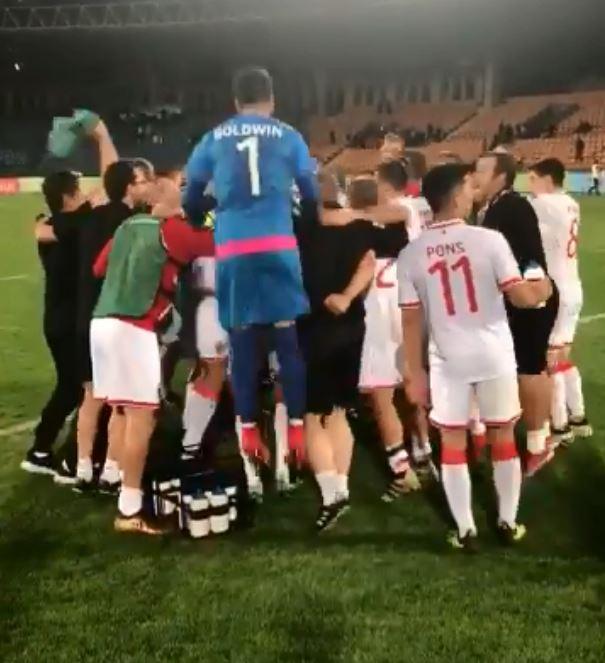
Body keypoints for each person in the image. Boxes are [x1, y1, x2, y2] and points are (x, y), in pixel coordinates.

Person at [399, 164, 552, 550]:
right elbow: (521, 297)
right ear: (454, 196)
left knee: (452, 441)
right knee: (502, 435)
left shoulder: (412, 253)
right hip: (493, 354)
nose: (472, 192)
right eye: (467, 187)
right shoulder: (490, 240)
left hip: (448, 359)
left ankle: (466, 529)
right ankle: (507, 521)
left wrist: (413, 372)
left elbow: (412, 319)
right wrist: (544, 287)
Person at [183, 66, 317, 469]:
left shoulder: (213, 138)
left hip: (235, 250)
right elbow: (310, 192)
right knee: (287, 340)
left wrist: (208, 212)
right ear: (271, 99)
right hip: (278, 245)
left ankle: (246, 427)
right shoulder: (289, 134)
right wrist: (303, 220)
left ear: (236, 102)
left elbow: (191, 197)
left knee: (242, 343)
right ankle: (295, 424)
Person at [91, 178, 215, 535]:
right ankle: (129, 508)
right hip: (133, 327)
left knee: (120, 408)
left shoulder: (127, 225)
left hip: (101, 323)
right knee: (143, 418)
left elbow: (99, 268)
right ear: (167, 199)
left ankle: (113, 475)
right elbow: (215, 245)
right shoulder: (170, 230)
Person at [21, 119, 118, 476]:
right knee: (80, 388)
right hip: (70, 320)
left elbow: (44, 226)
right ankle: (55, 453)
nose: (84, 192)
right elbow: (111, 183)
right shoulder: (76, 224)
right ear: (68, 196)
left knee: (73, 386)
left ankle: (44, 450)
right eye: (78, 188)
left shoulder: (54, 224)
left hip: (58, 318)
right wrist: (102, 136)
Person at [297, 177, 388, 530]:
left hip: (312, 328)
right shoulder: (361, 226)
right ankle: (342, 489)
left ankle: (331, 494)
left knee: (312, 414)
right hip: (351, 327)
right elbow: (369, 262)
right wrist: (348, 297)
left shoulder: (300, 229)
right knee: (336, 411)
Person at [475, 151, 559, 477]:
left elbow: (528, 257)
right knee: (524, 367)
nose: (475, 176)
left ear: (500, 176)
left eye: (481, 170)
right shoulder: (497, 206)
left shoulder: (512, 206)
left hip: (530, 299)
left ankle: (539, 443)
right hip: (517, 298)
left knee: (530, 369)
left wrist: (534, 293)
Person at [528, 158, 592, 441]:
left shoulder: (544, 203)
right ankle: (578, 416)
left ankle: (560, 425)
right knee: (564, 356)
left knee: (548, 361)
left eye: (533, 178)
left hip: (557, 291)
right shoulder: (571, 203)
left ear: (547, 180)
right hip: (573, 285)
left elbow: (514, 209)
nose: (531, 185)